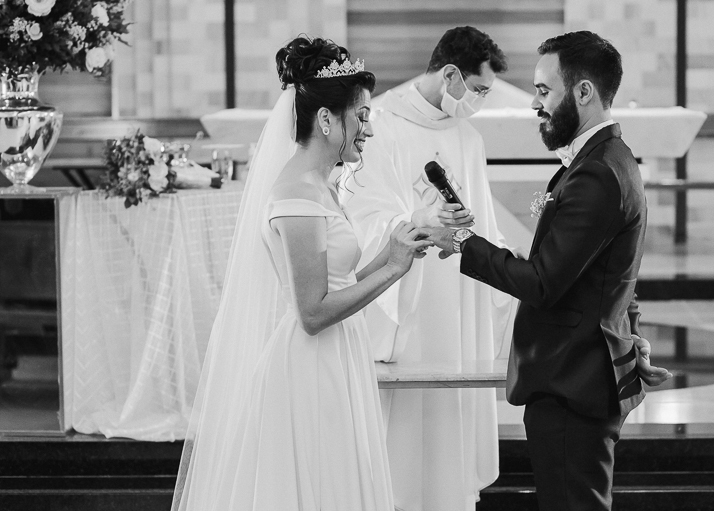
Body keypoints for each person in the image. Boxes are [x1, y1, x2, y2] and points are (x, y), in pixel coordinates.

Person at [171, 36, 432, 511]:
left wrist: (398, 251)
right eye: (363, 117)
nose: (368, 130)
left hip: (336, 354)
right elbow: (311, 311)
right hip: (310, 364)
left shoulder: (319, 186)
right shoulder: (297, 193)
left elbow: (340, 283)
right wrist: (392, 270)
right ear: (328, 119)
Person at [428, 31, 672, 511]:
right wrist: (629, 335)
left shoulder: (597, 172)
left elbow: (542, 283)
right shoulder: (604, 160)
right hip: (582, 372)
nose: (535, 104)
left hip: (571, 381)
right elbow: (612, 273)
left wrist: (462, 243)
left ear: (583, 92)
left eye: (544, 91)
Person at [341, 26, 514, 511]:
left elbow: (486, 224)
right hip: (411, 296)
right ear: (451, 74)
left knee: (448, 421)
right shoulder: (381, 126)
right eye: (477, 90)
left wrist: (509, 266)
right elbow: (364, 219)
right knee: (404, 431)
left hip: (457, 298)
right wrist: (419, 221)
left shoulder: (468, 137)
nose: (478, 101)